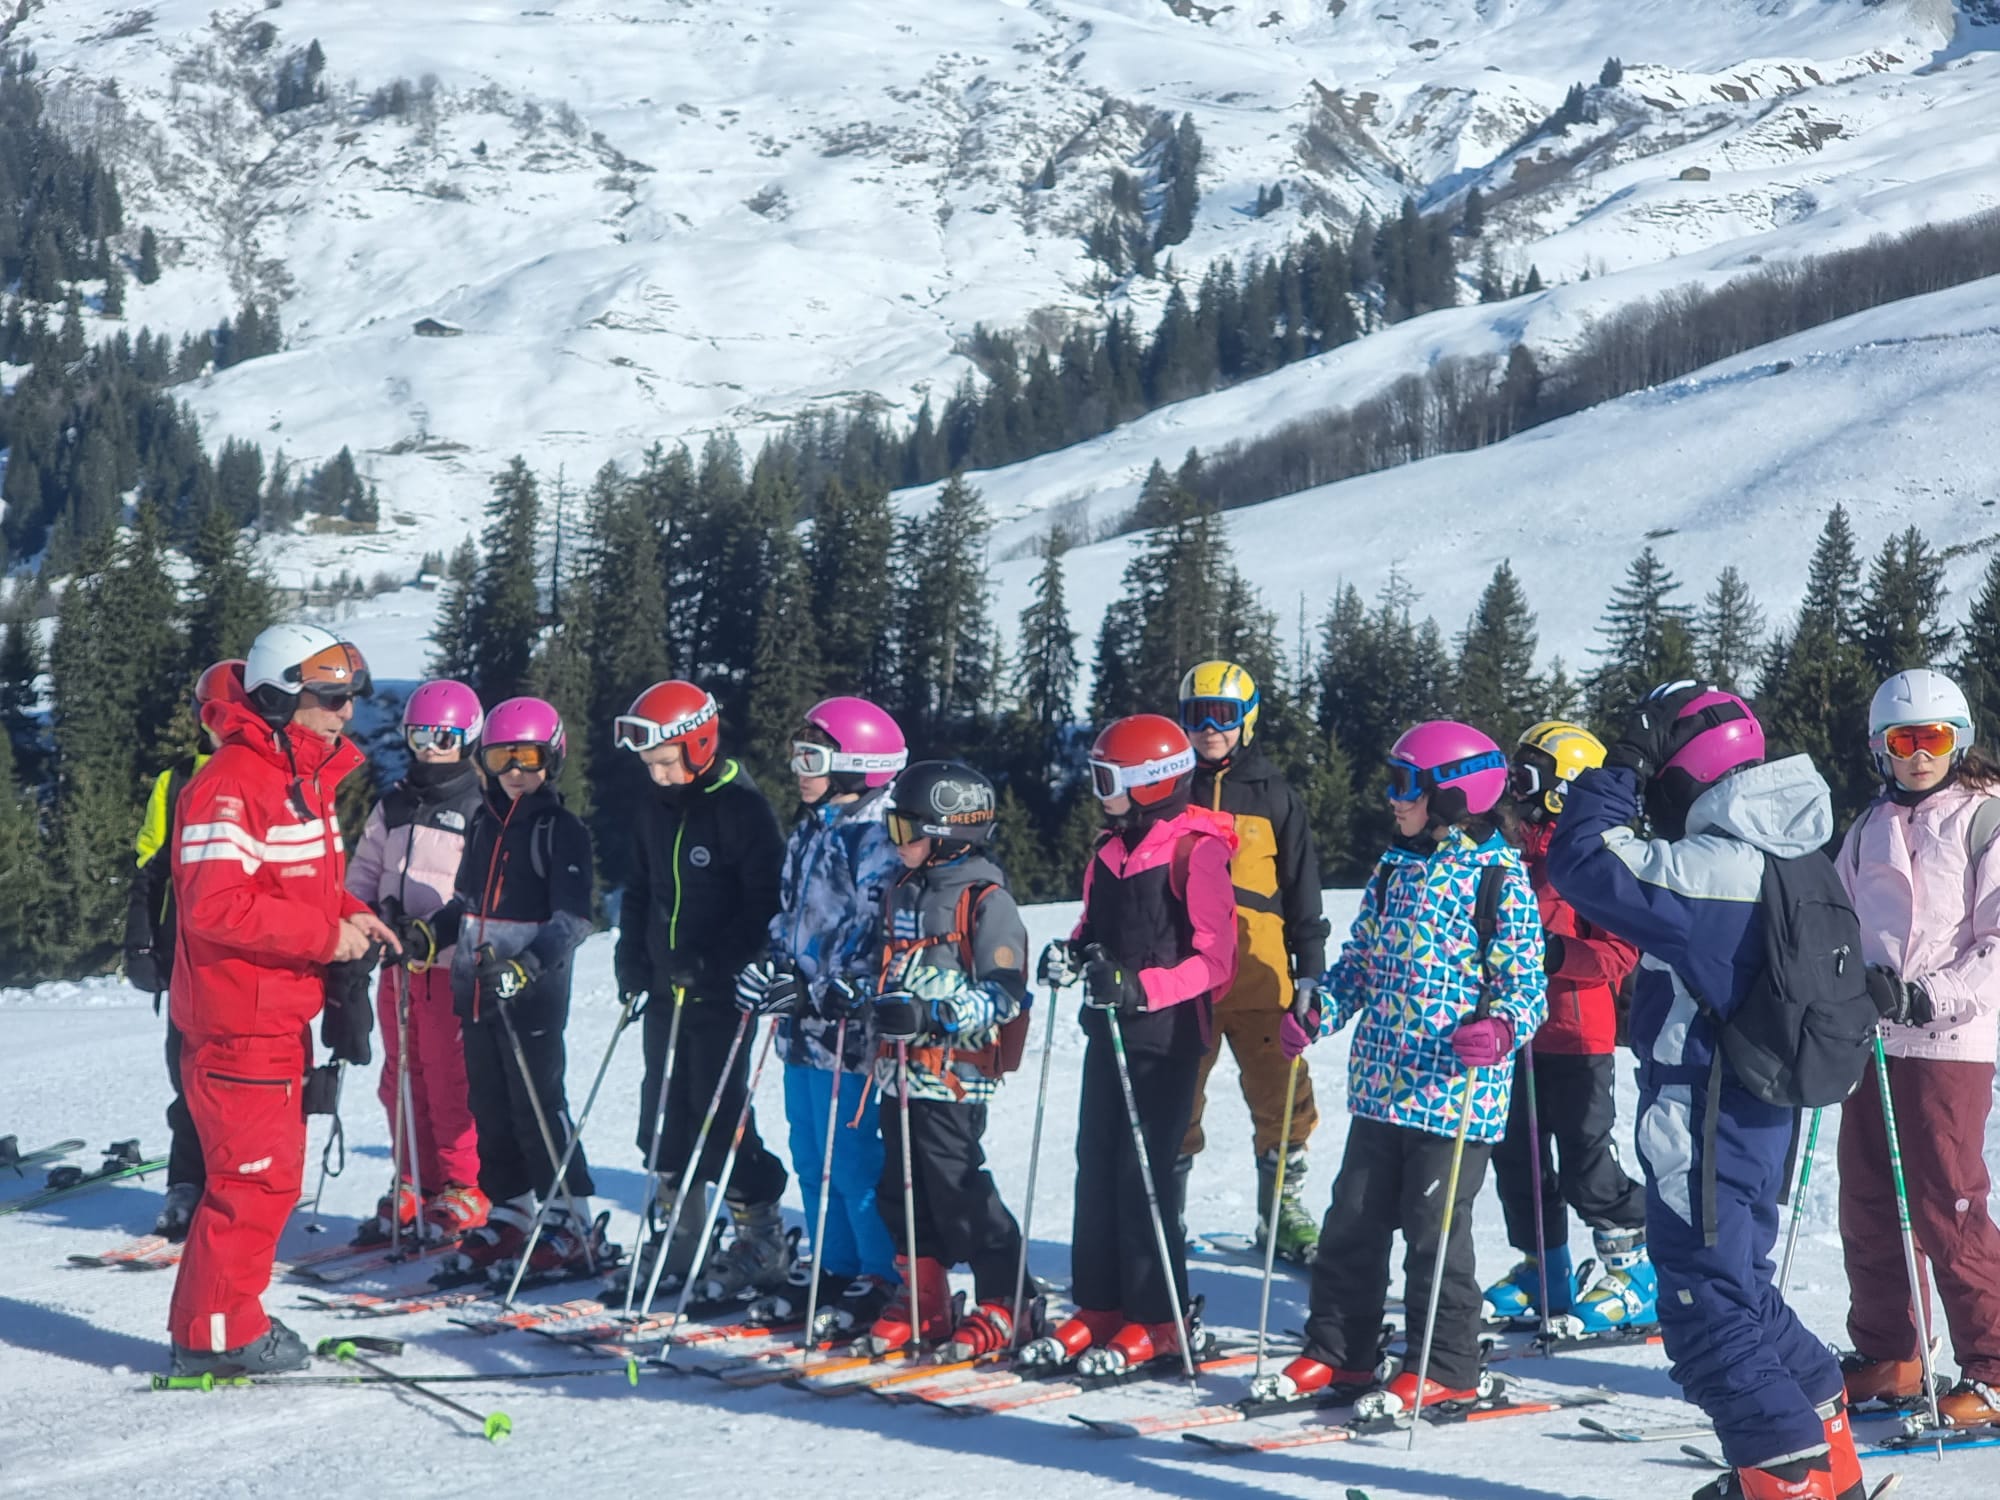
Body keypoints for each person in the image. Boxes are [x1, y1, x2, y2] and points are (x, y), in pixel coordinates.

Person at [1547, 684, 1862, 1500]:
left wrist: (1617, 767)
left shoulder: (1715, 867)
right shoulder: (1798, 855)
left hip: (1706, 1117)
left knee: (1703, 1311)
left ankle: (1785, 1477)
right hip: (1762, 1117)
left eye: (1658, 778)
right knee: (1741, 1290)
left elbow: (1583, 861)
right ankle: (1828, 1460)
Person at [1266, 721, 1545, 1413]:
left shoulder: (1498, 878)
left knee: (1433, 1232)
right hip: (1382, 1088)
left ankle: (1447, 1363)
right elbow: (1360, 965)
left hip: (1454, 1096)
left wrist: (1501, 1028)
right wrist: (1319, 1012)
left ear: (1453, 795)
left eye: (1405, 786)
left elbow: (1527, 987)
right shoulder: (1395, 868)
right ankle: (1342, 1353)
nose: (1392, 799)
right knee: (1351, 1222)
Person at [165, 625, 396, 1376]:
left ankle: (227, 1319)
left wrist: (349, 913)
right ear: (276, 697)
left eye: (350, 697)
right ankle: (215, 1337)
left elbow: (292, 883)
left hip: (273, 1013)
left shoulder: (296, 777)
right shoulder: (232, 782)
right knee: (252, 1183)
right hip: (239, 1021)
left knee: (267, 1181)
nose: (345, 713)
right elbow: (215, 905)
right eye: (329, 697)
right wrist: (324, 938)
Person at [1021, 713, 1237, 1374]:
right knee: (1094, 1164)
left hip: (1166, 1040)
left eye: (1108, 779)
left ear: (1153, 782)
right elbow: (1093, 927)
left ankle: (1158, 1319)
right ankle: (1100, 1305)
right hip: (1108, 1031)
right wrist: (1070, 954)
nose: (1098, 791)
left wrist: (1141, 989)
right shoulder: (1109, 851)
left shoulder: (1194, 852)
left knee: (1142, 1175)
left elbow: (1217, 961)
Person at [1836, 669, 2000, 1428]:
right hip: (1875, 1038)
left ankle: (1993, 1364)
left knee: (1947, 1202)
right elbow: (1837, 921)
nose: (1919, 755)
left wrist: (1929, 993)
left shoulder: (1984, 820)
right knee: (1867, 1198)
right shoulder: (1867, 827)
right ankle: (1891, 1353)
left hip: (1948, 1038)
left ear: (1958, 740)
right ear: (1882, 748)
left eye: (1933, 738)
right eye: (1903, 742)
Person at [396, 697, 605, 1278]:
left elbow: (573, 920)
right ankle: (511, 1211)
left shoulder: (560, 830)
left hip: (532, 993)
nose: (514, 771)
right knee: (489, 1105)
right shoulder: (484, 822)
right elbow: (466, 903)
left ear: (552, 758)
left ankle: (570, 1219)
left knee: (538, 1105)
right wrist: (429, 933)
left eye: (527, 758)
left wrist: (525, 968)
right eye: (500, 758)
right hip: (476, 988)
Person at [611, 680, 789, 1298]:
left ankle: (760, 1236)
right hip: (667, 989)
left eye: (666, 762)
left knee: (719, 1113)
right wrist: (632, 958)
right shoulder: (654, 807)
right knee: (662, 1110)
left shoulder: (741, 809)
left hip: (721, 992)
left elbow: (766, 904)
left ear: (699, 745)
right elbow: (640, 889)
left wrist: (715, 963)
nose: (657, 775)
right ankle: (679, 1238)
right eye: (649, 765)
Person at [734, 696, 906, 1329]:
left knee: (851, 1156)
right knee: (808, 1148)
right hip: (802, 1027)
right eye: (797, 757)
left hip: (851, 1027)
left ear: (858, 765)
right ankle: (832, 1264)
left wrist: (823, 991)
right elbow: (790, 915)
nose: (797, 771)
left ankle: (879, 1272)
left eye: (811, 759)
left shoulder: (879, 836)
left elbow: (877, 937)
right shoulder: (814, 826)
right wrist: (771, 967)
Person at [1484, 720, 1649, 1330]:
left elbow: (1619, 953)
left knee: (1586, 1165)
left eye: (1527, 779)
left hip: (1578, 1038)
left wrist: (1555, 953)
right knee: (1518, 1163)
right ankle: (1544, 1268)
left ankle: (1634, 1267)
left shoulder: (1592, 863)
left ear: (1564, 789)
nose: (1515, 792)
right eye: (1513, 777)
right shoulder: (1509, 859)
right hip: (1516, 1037)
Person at [865, 760, 1032, 1357]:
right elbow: (886, 969)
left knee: (957, 1188)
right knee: (898, 1188)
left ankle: (1008, 1301)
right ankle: (925, 1299)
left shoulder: (987, 900)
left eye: (906, 829)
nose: (896, 841)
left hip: (952, 1076)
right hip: (897, 1073)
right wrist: (856, 999)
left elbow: (1006, 993)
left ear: (949, 832)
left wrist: (938, 1016)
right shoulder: (902, 890)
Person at [1173, 661, 1329, 1263]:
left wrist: (1309, 971)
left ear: (1248, 719)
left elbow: (1303, 891)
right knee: (1176, 1099)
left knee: (1283, 1097)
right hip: (1186, 981)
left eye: (1223, 716)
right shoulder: (1172, 793)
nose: (1209, 729)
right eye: (1196, 716)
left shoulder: (1274, 795)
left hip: (1262, 978)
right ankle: (1166, 1210)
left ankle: (1281, 1212)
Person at [345, 679, 487, 1246]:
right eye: (419, 736)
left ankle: (463, 1184)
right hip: (397, 963)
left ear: (467, 739)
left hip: (447, 965)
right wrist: (361, 917)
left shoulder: (478, 805)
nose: (430, 748)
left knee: (451, 1077)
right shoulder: (395, 802)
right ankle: (414, 1180)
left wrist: (441, 928)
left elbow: (479, 888)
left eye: (443, 738)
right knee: (401, 1074)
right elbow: (365, 868)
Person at [123, 658, 244, 1242]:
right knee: (189, 1074)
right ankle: (188, 1183)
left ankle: (237, 1182)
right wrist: (141, 942)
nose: (223, 725)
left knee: (244, 1079)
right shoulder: (175, 782)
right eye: (213, 714)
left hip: (245, 961)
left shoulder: (267, 779)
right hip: (186, 959)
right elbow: (149, 868)